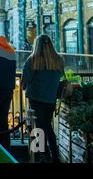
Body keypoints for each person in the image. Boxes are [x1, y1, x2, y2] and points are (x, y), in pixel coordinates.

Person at [21, 34, 64, 163]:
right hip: (50, 99)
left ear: (37, 45)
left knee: (37, 127)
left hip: (35, 98)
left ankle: (42, 156)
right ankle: (55, 155)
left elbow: (25, 81)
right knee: (47, 126)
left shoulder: (33, 60)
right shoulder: (58, 60)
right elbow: (60, 76)